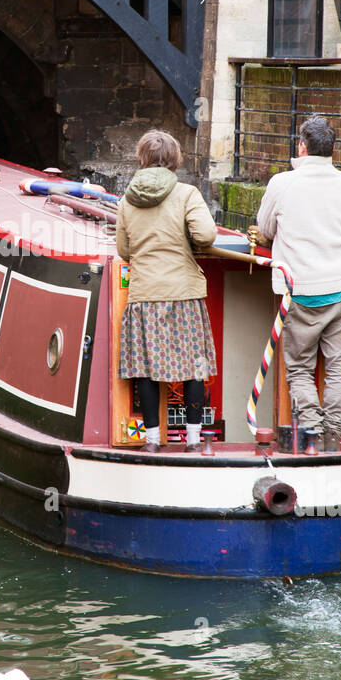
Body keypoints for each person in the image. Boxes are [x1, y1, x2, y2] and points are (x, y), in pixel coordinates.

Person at [249, 115, 341, 452]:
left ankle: (311, 430)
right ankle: (334, 435)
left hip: (301, 289)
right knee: (338, 362)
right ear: (332, 150)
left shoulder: (282, 184)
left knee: (299, 366)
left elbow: (265, 228)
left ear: (302, 146)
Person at [116, 129, 218, 453]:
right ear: (174, 159)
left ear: (141, 158)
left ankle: (151, 442)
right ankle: (192, 441)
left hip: (145, 295)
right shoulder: (187, 194)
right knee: (194, 367)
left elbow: (123, 250)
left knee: (146, 370)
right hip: (184, 293)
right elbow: (206, 235)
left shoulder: (126, 200)